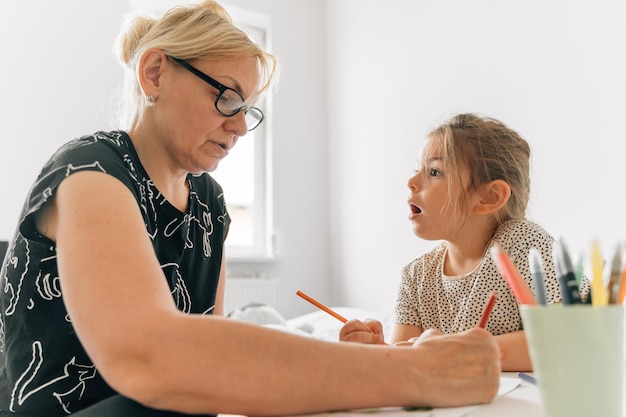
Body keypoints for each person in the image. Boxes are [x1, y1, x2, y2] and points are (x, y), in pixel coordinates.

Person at [0, 3, 501, 416]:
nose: (240, 127)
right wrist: (421, 372)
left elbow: (210, 357)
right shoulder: (89, 173)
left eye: (248, 110)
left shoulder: (209, 205)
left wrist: (342, 366)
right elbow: (155, 360)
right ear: (155, 72)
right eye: (227, 98)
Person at [340, 113, 590, 371]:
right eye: (418, 169)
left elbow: (566, 340)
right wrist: (373, 351)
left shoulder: (525, 245)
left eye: (434, 172)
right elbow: (404, 363)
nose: (411, 182)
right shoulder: (416, 277)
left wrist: (454, 353)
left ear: (489, 197)